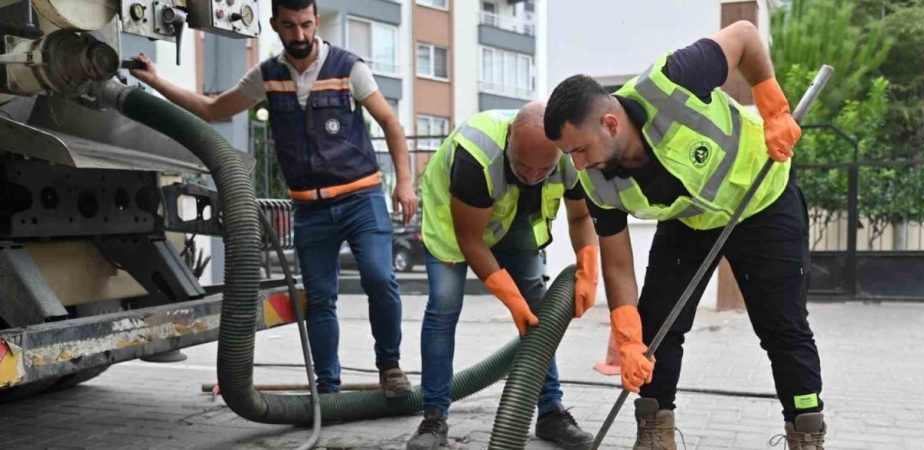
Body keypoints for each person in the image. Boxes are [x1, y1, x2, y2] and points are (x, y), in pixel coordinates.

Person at [543, 21, 826, 450]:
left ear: (610, 124)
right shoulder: (597, 183)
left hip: (762, 198)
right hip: (691, 220)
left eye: (580, 150)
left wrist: (774, 109)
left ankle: (806, 433)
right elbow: (618, 263)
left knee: (782, 325)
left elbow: (747, 36)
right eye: (570, 156)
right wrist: (627, 335)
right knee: (657, 324)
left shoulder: (674, 80)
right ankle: (655, 431)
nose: (578, 165)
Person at [128, 0, 416, 399]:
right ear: (274, 25)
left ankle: (390, 368)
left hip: (360, 199)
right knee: (318, 299)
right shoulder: (267, 75)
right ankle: (328, 390)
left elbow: (391, 123)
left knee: (379, 277)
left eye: (306, 25)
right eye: (290, 26)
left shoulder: (349, 68)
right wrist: (156, 80)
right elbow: (212, 110)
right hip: (310, 208)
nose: (299, 35)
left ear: (315, 21)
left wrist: (405, 183)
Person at [407, 103, 598, 450]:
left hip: (513, 219)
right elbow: (470, 240)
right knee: (443, 308)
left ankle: (551, 411)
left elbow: (582, 217)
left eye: (544, 169)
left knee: (539, 312)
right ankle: (433, 419)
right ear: (510, 137)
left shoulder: (570, 153)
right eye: (523, 165)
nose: (532, 176)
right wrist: (511, 300)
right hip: (454, 227)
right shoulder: (475, 154)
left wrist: (588, 269)